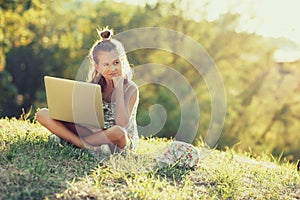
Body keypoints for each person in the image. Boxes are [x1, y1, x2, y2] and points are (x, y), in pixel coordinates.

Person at [36, 27, 139, 154]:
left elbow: (122, 123)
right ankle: (85, 144)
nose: (112, 68)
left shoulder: (130, 88)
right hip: (95, 134)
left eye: (116, 62)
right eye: (106, 64)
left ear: (122, 62)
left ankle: (74, 142)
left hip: (118, 140)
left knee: (118, 132)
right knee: (43, 114)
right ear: (97, 67)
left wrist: (118, 89)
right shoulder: (93, 86)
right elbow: (85, 119)